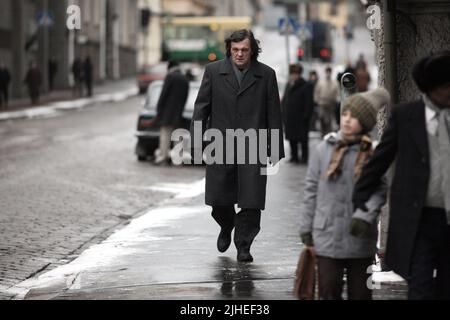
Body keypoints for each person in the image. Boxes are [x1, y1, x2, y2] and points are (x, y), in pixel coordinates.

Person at [352, 51, 450, 300]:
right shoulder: (406, 116)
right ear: (432, 88)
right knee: (419, 286)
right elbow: (380, 159)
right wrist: (360, 199)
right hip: (418, 220)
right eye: (445, 86)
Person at [190, 29, 285, 262]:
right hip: (219, 145)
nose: (239, 54)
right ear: (229, 50)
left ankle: (244, 245)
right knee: (219, 199)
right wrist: (195, 143)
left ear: (252, 50)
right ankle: (226, 225)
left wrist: (275, 148)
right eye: (235, 50)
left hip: (255, 146)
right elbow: (201, 109)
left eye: (244, 50)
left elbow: (274, 113)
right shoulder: (213, 72)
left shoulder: (266, 75)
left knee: (251, 201)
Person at [299, 87, 390, 300]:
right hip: (326, 238)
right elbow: (311, 190)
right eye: (345, 115)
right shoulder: (324, 149)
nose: (347, 120)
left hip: (360, 239)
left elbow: (380, 191)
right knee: (328, 291)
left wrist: (364, 217)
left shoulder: (371, 154)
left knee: (361, 294)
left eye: (355, 117)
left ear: (366, 123)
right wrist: (306, 228)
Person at [154, 60, 189, 165]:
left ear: (169, 67)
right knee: (177, 136)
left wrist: (159, 109)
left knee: (165, 135)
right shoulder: (184, 78)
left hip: (167, 113)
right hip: (179, 113)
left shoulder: (170, 76)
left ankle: (162, 157)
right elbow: (185, 97)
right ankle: (177, 160)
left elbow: (164, 94)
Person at [282, 63, 314, 164]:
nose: (293, 76)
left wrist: (306, 116)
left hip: (301, 117)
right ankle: (294, 157)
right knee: (292, 138)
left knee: (303, 139)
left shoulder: (306, 85)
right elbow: (285, 99)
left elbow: (309, 103)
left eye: (295, 74)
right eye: (292, 74)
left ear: (299, 74)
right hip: (290, 117)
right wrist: (283, 112)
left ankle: (304, 158)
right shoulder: (289, 84)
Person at [314, 66, 339, 137]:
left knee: (329, 121)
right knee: (322, 120)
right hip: (322, 104)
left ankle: (328, 135)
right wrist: (317, 101)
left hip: (331, 104)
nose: (328, 73)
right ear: (325, 72)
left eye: (329, 72)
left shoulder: (334, 82)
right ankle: (323, 134)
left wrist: (337, 100)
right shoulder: (320, 82)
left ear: (331, 73)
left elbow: (337, 93)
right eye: (327, 72)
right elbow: (316, 92)